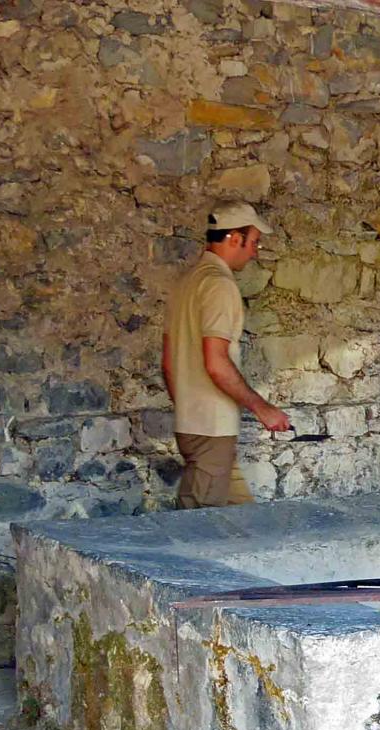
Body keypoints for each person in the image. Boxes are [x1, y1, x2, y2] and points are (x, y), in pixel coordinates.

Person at [161, 201, 291, 508]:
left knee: (240, 522)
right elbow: (216, 362)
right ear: (234, 238)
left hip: (193, 425)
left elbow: (168, 364)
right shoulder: (219, 285)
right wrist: (263, 408)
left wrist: (190, 407)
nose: (255, 251)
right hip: (211, 430)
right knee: (196, 530)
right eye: (254, 242)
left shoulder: (185, 283)